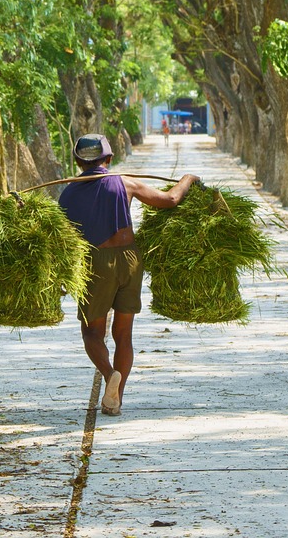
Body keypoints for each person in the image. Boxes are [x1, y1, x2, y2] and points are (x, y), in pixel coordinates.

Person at [58, 134, 199, 416]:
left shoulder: (69, 193)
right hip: (130, 260)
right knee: (123, 335)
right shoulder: (124, 182)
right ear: (108, 159)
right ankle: (115, 401)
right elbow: (171, 199)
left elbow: (60, 236)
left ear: (77, 162)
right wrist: (188, 179)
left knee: (91, 333)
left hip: (93, 264)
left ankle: (110, 374)